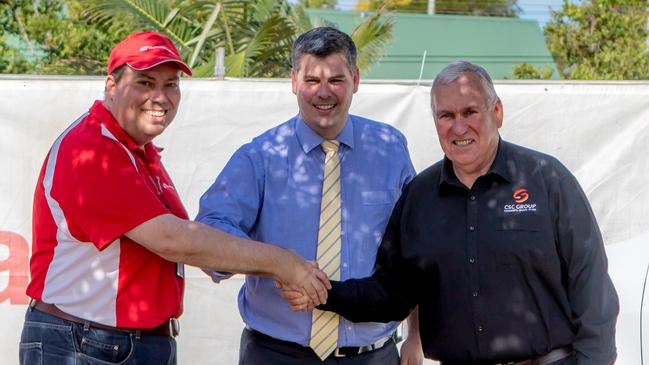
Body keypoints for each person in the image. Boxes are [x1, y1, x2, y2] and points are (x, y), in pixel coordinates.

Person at [19, 31, 329, 365]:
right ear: (111, 85)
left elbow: (190, 241)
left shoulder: (135, 151)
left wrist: (252, 261)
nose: (161, 97)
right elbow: (172, 240)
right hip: (86, 343)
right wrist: (283, 264)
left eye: (171, 84)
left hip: (119, 343)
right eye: (145, 82)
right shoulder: (93, 149)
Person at [285, 61, 620, 365]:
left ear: (497, 112)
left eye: (470, 112)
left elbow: (592, 288)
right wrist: (323, 292)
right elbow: (391, 294)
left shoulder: (546, 180)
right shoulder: (419, 196)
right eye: (446, 116)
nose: (459, 128)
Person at [196, 27, 419, 364]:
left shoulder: (390, 148)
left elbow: (415, 251)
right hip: (276, 353)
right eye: (312, 80)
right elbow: (207, 240)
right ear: (293, 81)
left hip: (373, 355)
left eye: (336, 79)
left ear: (356, 80)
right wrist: (277, 264)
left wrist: (416, 337)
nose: (324, 92)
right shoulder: (260, 156)